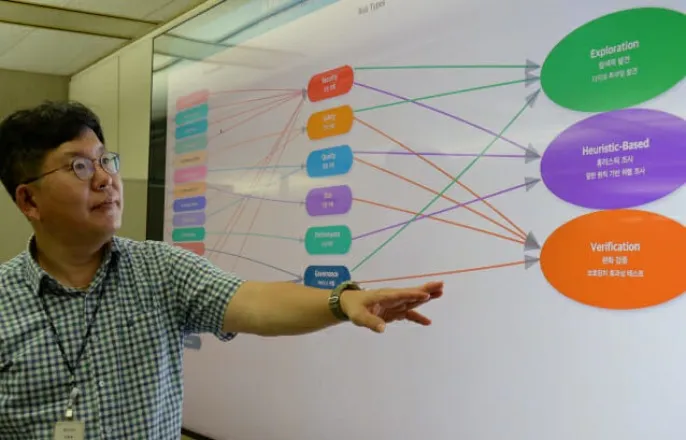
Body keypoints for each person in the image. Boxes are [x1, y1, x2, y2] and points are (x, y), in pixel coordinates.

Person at [0, 101, 443, 439]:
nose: (104, 178)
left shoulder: (159, 269)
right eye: (79, 166)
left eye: (104, 160)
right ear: (29, 200)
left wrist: (341, 301)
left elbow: (253, 301)